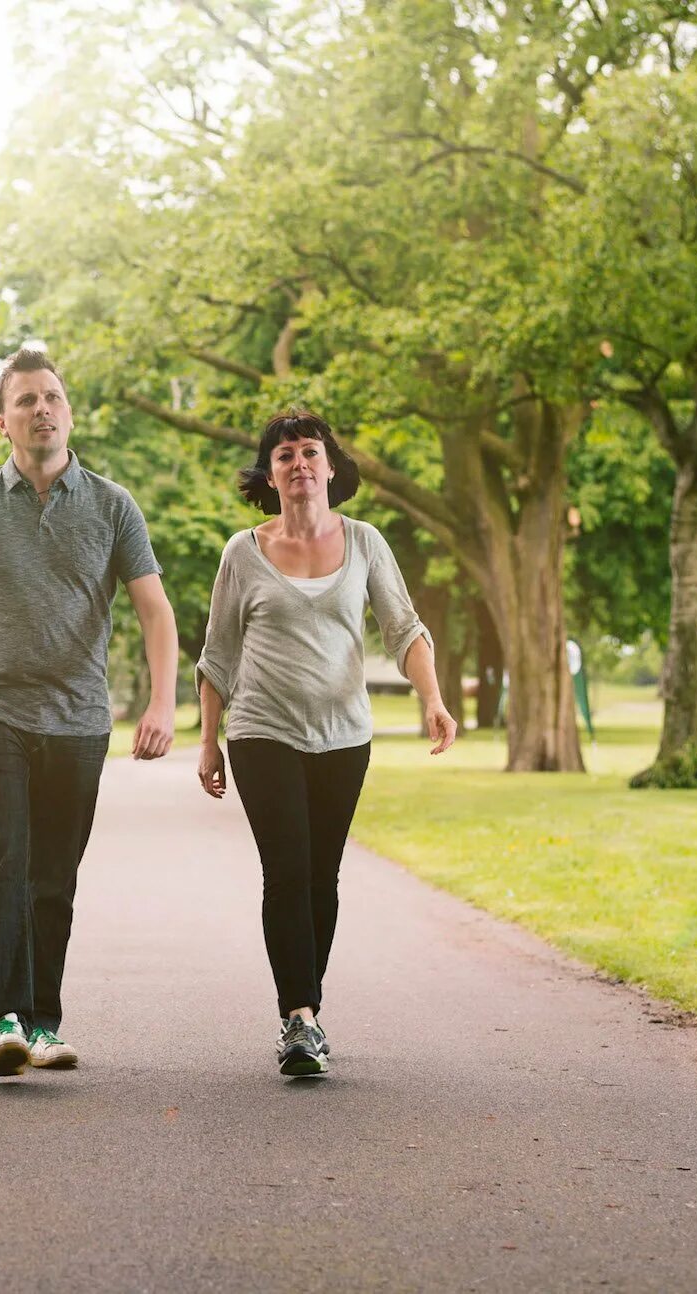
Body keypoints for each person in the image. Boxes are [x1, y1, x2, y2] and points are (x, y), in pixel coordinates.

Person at [0, 347, 179, 1078]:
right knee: (5, 859)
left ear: (69, 412)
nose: (41, 409)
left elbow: (155, 611)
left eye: (50, 397)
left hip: (79, 718)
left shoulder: (114, 505)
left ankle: (44, 1023)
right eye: (25, 401)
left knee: (53, 876)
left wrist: (161, 702)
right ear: (4, 421)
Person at [195, 408, 457, 1077]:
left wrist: (432, 698)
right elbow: (218, 653)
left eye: (310, 451)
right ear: (270, 474)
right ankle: (301, 1018)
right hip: (262, 731)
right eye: (285, 456)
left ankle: (305, 1009)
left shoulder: (365, 542)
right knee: (286, 872)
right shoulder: (241, 552)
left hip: (344, 736)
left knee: (321, 876)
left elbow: (404, 628)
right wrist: (207, 741)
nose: (300, 464)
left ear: (331, 468)